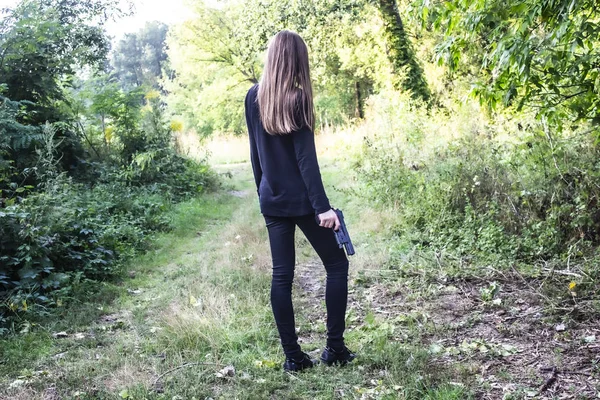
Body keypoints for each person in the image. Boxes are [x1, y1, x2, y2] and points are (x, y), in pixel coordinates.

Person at [244, 30, 355, 372]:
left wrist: (263, 190)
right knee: (337, 266)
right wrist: (322, 208)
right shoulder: (298, 98)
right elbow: (307, 161)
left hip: (272, 200)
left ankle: (293, 358)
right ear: (297, 60)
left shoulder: (253, 96)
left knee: (282, 277)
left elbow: (255, 154)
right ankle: (334, 348)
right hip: (304, 203)